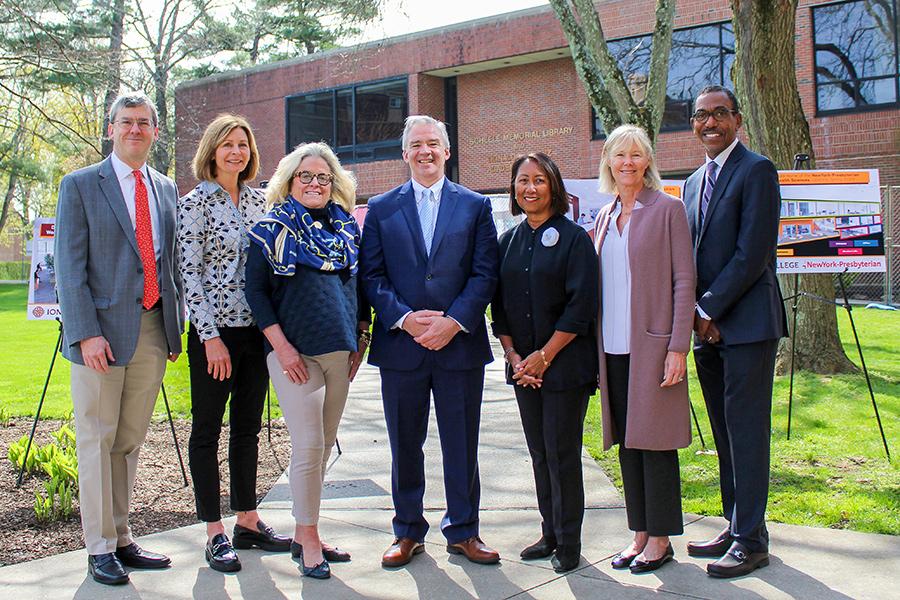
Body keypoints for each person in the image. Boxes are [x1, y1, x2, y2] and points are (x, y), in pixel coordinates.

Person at [359, 115, 500, 568]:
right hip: (402, 347)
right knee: (405, 443)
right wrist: (403, 318)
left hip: (458, 347)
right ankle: (407, 531)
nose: (425, 151)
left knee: (462, 442)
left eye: (433, 143)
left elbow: (485, 273)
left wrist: (454, 321)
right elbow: (372, 275)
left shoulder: (475, 206)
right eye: (416, 144)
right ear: (405, 153)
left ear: (447, 150)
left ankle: (464, 530)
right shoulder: (380, 208)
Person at [54, 91, 183, 586]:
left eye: (144, 123)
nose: (136, 130)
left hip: (153, 330)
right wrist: (85, 333)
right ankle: (99, 547)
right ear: (111, 129)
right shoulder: (81, 185)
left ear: (155, 131)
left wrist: (174, 328)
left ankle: (122, 537)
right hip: (99, 337)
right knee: (96, 439)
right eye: (126, 122)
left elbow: (169, 262)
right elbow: (69, 267)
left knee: (128, 441)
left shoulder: (165, 187)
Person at [245, 142, 368, 580]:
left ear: (333, 183)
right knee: (309, 445)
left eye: (323, 177)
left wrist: (362, 337)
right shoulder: (269, 230)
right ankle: (309, 539)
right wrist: (281, 346)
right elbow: (256, 294)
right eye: (306, 176)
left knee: (323, 446)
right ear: (289, 180)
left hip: (341, 351)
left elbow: (359, 290)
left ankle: (304, 532)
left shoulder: (347, 230)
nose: (315, 183)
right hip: (294, 354)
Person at [177, 114, 291, 573]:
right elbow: (189, 274)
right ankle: (214, 530)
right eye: (227, 144)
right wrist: (210, 338)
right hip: (215, 335)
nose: (236, 152)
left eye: (242, 144)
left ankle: (247, 520)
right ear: (212, 151)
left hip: (257, 333)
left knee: (247, 429)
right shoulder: (194, 204)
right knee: (207, 431)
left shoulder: (262, 201)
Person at [683, 86, 787, 578]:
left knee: (746, 432)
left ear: (737, 119)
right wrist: (694, 316)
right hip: (707, 331)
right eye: (701, 116)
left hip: (745, 326)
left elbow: (752, 253)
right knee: (723, 432)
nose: (710, 123)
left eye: (719, 114)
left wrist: (708, 308)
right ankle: (734, 522)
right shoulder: (691, 182)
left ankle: (753, 539)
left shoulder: (757, 170)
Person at [595, 124, 695, 574]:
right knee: (627, 444)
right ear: (609, 163)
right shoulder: (604, 215)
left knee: (655, 445)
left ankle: (661, 539)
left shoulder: (668, 209)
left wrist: (678, 346)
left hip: (653, 348)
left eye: (637, 155)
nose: (628, 163)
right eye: (620, 155)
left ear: (648, 161)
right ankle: (638, 533)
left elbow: (684, 280)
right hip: (612, 347)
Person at [491, 153, 598, 573]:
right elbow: (497, 307)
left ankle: (569, 543)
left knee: (562, 453)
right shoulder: (507, 242)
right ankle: (549, 532)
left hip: (564, 367)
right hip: (524, 369)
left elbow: (581, 306)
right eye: (522, 181)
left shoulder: (575, 239)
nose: (529, 188)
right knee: (539, 453)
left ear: (553, 185)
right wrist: (516, 357)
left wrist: (543, 356)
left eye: (538, 180)